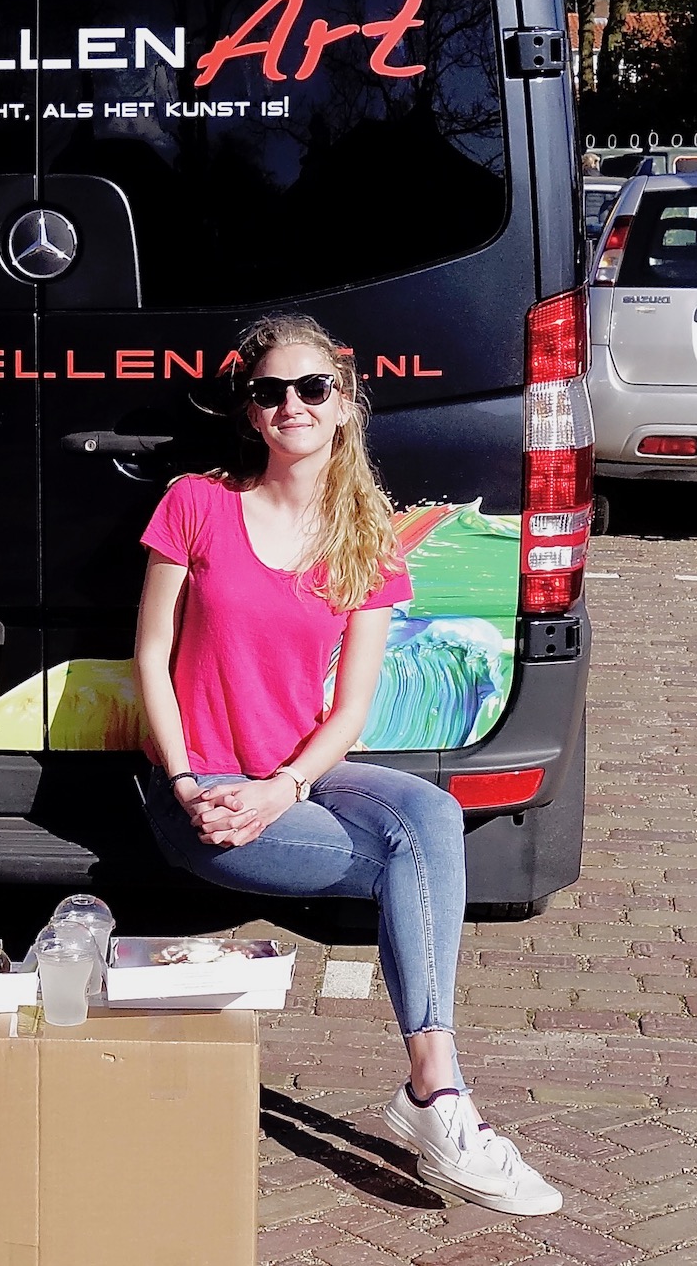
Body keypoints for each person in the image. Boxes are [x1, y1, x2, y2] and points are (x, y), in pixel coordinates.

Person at [133, 313, 562, 1217]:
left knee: (431, 817)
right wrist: (188, 782)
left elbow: (350, 713)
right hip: (202, 789)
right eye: (270, 391)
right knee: (414, 865)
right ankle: (437, 1101)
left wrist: (283, 786)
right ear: (251, 411)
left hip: (299, 774)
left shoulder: (364, 537)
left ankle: (435, 1085)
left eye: (311, 387)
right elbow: (150, 661)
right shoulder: (195, 504)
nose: (290, 404)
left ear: (343, 403)